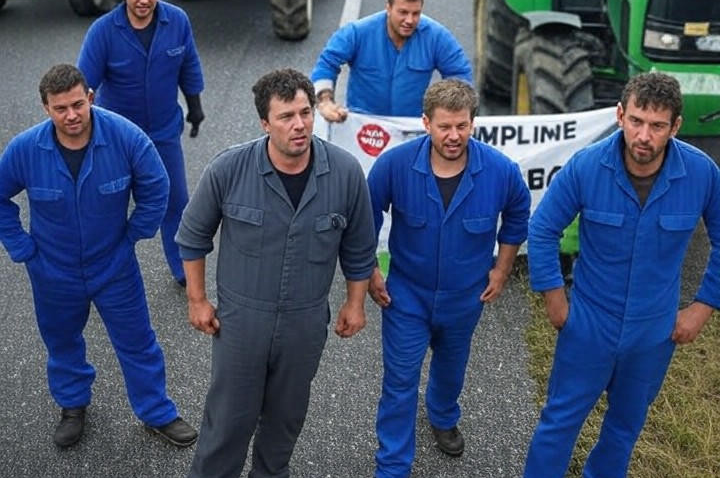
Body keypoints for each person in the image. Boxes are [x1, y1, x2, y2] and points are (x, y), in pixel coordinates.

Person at [176, 67, 376, 478]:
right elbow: (193, 237)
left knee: (285, 421)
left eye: (305, 112)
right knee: (228, 422)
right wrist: (197, 300)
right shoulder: (229, 170)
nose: (299, 124)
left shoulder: (345, 173)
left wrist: (355, 304)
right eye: (286, 116)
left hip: (304, 322)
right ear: (265, 123)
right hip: (242, 322)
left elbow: (359, 249)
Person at [522, 71, 720, 478]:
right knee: (559, 422)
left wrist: (702, 307)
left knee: (624, 429)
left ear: (675, 127)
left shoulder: (702, 174)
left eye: (657, 125)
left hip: (653, 331)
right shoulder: (587, 166)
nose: (644, 135)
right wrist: (555, 300)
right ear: (620, 115)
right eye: (636, 121)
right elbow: (542, 229)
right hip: (590, 323)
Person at [0, 64, 197, 449]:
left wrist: (135, 234)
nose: (71, 115)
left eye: (78, 104)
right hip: (52, 272)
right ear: (46, 108)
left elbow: (157, 187)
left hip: (114, 266)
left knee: (138, 341)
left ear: (89, 97)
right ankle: (73, 406)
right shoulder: (25, 150)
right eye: (61, 109)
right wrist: (22, 248)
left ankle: (156, 411)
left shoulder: (125, 137)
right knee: (62, 341)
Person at [367, 79, 530, 476]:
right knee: (400, 379)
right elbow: (364, 220)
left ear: (473, 122)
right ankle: (392, 464)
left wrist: (503, 268)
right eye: (444, 126)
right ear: (426, 123)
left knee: (452, 365)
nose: (453, 135)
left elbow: (518, 215)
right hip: (406, 294)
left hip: (465, 296)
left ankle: (442, 415)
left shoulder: (500, 171)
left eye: (462, 125)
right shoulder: (394, 165)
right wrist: (370, 272)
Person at [78, 0, 205, 286]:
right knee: (107, 205)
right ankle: (98, 267)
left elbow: (188, 64)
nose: (145, 0)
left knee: (175, 200)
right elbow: (84, 86)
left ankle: (182, 269)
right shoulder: (103, 32)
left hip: (163, 132)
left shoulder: (177, 21)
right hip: (116, 138)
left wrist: (195, 106)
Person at [310, 0, 472, 123]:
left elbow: (459, 74)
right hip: (364, 127)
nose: (409, 20)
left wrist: (449, 112)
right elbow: (327, 63)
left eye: (416, 14)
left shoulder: (436, 36)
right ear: (388, 8)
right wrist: (325, 101)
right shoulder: (357, 32)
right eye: (403, 12)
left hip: (411, 128)